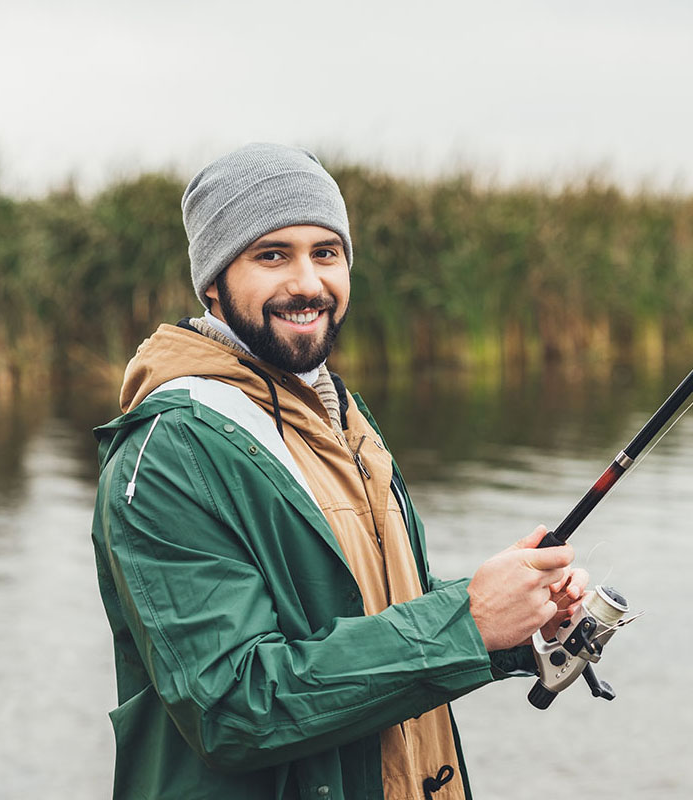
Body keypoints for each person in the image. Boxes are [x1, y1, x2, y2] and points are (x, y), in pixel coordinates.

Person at [91, 143, 587, 800]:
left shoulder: (342, 414)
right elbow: (232, 707)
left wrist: (519, 621)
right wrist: (465, 622)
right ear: (212, 280)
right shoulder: (168, 451)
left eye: (326, 253)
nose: (307, 282)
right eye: (273, 255)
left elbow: (370, 608)